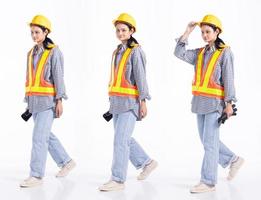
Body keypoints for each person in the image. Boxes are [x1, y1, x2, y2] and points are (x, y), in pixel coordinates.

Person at [174, 14, 244, 193]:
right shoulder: (200, 53)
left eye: (207, 32)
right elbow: (179, 53)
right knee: (207, 140)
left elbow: (229, 78)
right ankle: (233, 160)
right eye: (202, 32)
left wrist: (229, 103)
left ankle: (208, 182)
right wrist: (187, 32)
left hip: (215, 104)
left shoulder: (225, 52)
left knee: (210, 144)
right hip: (199, 102)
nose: (204, 35)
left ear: (217, 32)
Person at [99, 13, 158, 192]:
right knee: (123, 138)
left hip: (130, 103)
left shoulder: (136, 51)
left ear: (132, 31)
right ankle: (146, 163)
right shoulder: (117, 51)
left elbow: (141, 78)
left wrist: (143, 101)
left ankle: (118, 179)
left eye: (124, 30)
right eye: (118, 30)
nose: (120, 33)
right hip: (116, 103)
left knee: (120, 140)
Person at [20, 15, 76, 188]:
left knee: (38, 137)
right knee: (45, 136)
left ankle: (36, 175)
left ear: (46, 32)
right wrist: (28, 100)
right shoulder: (31, 53)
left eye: (37, 32)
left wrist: (59, 100)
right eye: (32, 33)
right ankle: (66, 162)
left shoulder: (54, 52)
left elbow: (59, 77)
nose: (34, 36)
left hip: (48, 102)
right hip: (34, 102)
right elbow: (30, 78)